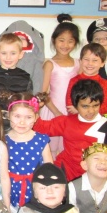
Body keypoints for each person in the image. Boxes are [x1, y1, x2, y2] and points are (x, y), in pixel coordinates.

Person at [34, 79, 107, 182]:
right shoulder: (66, 121)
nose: (91, 111)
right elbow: (40, 127)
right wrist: (34, 108)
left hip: (94, 176)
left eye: (95, 105)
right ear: (75, 105)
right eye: (85, 106)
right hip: (64, 173)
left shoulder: (104, 125)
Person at [2, 92, 53, 213]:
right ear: (8, 115)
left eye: (28, 117)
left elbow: (49, 169)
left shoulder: (41, 140)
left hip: (36, 190)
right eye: (17, 116)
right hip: (9, 190)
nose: (22, 122)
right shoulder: (3, 140)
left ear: (36, 117)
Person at [40, 14, 80, 158]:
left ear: (75, 43)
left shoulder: (78, 63)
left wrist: (78, 108)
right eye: (61, 40)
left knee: (67, 149)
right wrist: (57, 113)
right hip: (52, 111)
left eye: (70, 41)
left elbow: (81, 91)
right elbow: (43, 94)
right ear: (54, 40)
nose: (65, 45)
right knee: (49, 150)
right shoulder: (50, 64)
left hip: (72, 112)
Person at [0, 33, 33, 112]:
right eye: (4, 53)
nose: (8, 57)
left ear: (20, 54)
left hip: (17, 117)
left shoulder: (26, 78)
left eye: (13, 53)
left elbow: (28, 104)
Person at [0, 20, 45, 94]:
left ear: (28, 40)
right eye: (16, 38)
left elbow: (37, 82)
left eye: (22, 38)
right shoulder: (5, 58)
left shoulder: (34, 61)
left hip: (25, 97)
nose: (19, 41)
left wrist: (35, 98)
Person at [65, 43, 107, 116]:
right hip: (76, 119)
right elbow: (70, 104)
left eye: (95, 60)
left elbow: (105, 106)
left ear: (102, 63)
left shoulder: (104, 83)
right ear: (80, 61)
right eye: (86, 59)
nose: (90, 63)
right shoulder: (74, 81)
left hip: (97, 120)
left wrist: (80, 110)